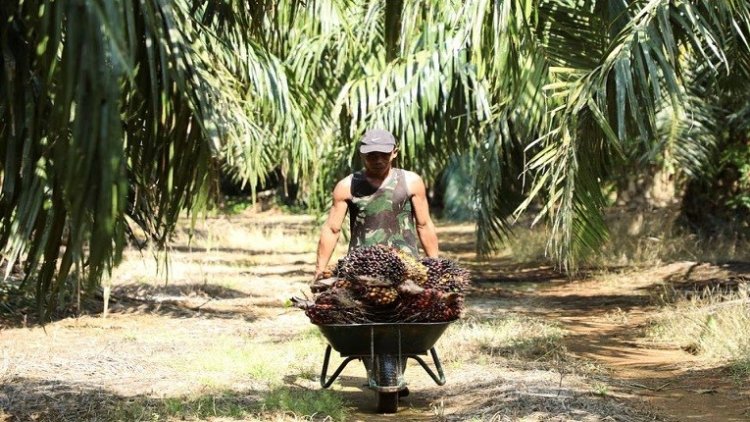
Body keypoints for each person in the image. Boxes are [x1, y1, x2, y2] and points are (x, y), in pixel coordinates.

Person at [314, 128, 439, 281]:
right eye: (371, 155)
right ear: (362, 154)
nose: (378, 160)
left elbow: (424, 225)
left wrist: (435, 266)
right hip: (362, 268)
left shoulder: (411, 182)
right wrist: (319, 271)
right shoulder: (347, 186)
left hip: (405, 267)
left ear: (394, 152)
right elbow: (332, 229)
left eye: (384, 154)